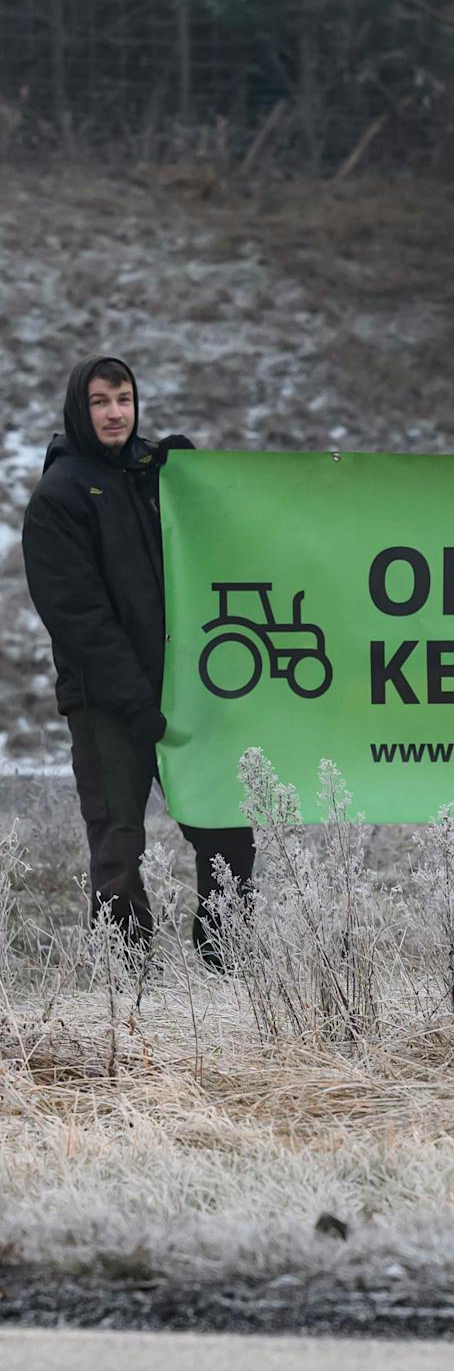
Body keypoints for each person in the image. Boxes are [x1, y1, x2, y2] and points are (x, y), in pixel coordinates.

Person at [21, 356, 254, 961]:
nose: (115, 413)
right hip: (106, 703)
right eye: (100, 401)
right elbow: (77, 619)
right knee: (119, 847)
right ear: (80, 408)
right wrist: (135, 700)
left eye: (123, 398)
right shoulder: (60, 496)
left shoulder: (154, 475)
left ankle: (226, 965)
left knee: (227, 831)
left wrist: (192, 477)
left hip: (186, 693)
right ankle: (127, 986)